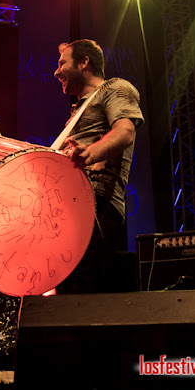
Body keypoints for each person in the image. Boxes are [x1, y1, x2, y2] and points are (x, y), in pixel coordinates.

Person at [53, 39, 145, 294]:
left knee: (82, 293)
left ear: (84, 63)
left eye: (62, 64)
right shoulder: (77, 111)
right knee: (68, 290)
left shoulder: (115, 88)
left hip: (97, 206)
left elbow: (125, 132)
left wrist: (91, 153)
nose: (56, 71)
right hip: (74, 207)